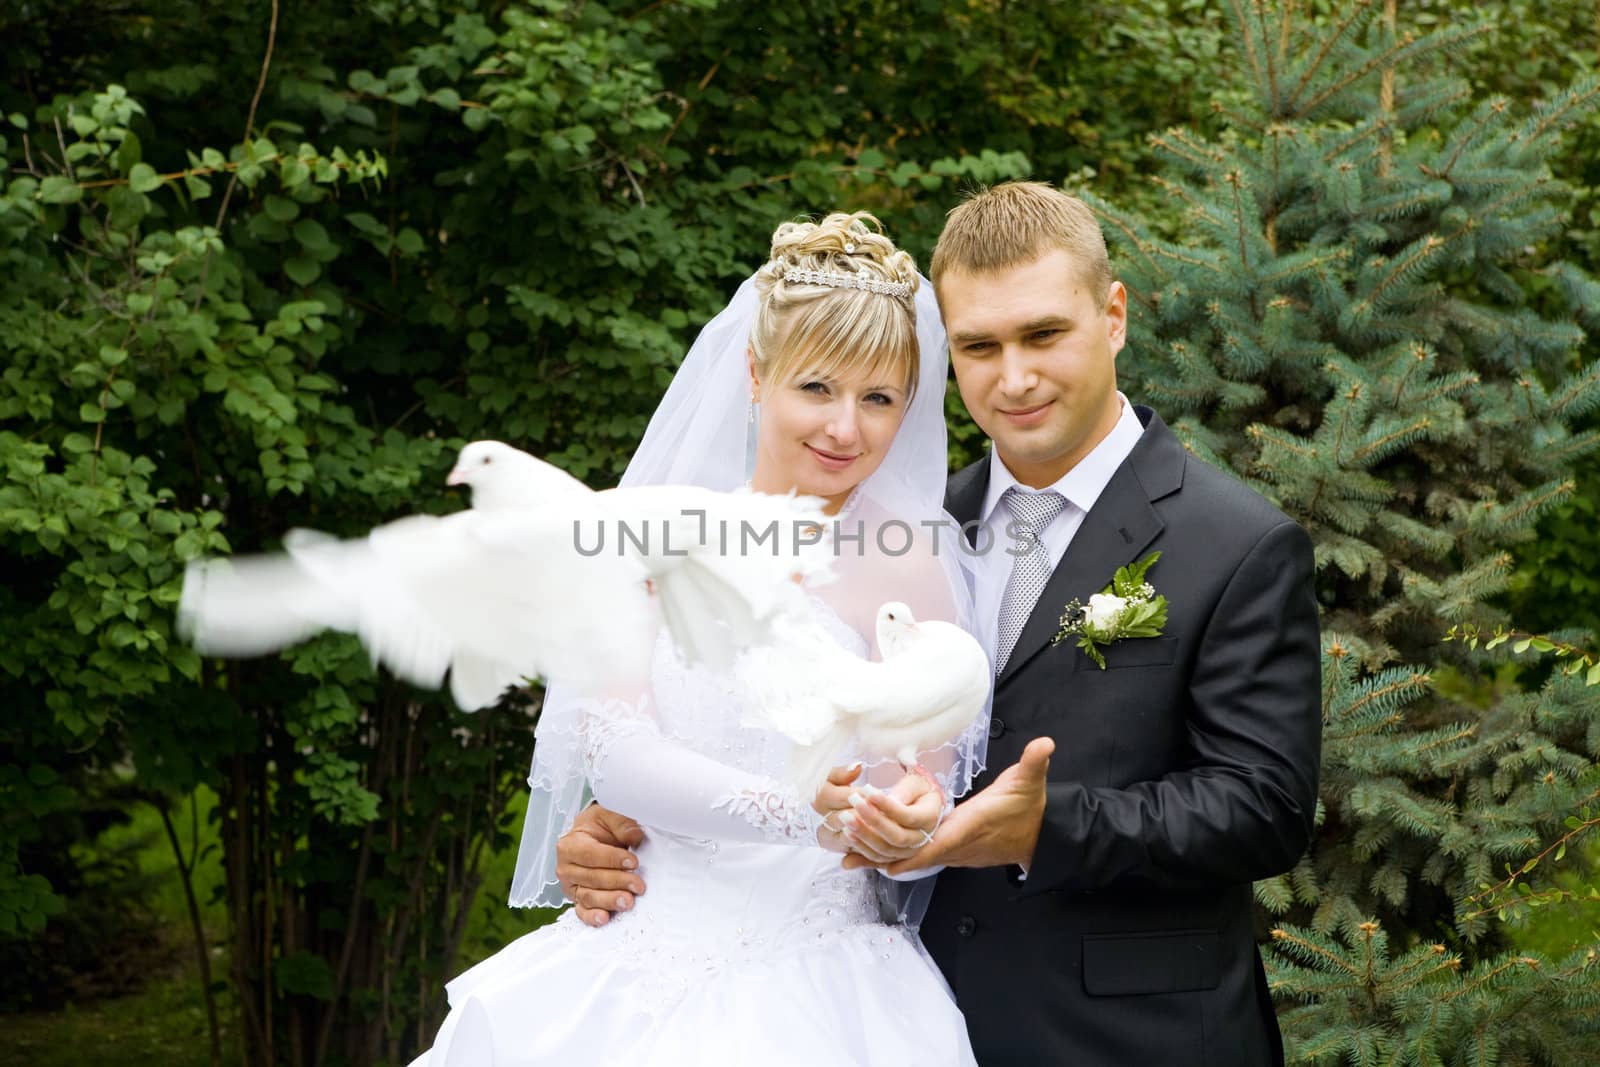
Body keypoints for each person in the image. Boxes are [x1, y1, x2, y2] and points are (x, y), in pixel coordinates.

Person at [559, 182, 1323, 1066]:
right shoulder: (921, 524)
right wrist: (630, 829)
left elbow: (1264, 806)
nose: (1015, 376)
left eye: (1043, 334)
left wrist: (1047, 826)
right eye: (979, 346)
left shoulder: (1235, 542)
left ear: (1112, 317)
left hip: (1125, 1036)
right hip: (901, 1011)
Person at [406, 212, 987, 1067]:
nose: (845, 429)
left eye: (879, 398)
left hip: (834, 987)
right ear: (756, 374)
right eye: (817, 388)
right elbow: (619, 750)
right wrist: (809, 817)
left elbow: (924, 781)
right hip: (638, 962)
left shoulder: (915, 566)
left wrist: (909, 821)